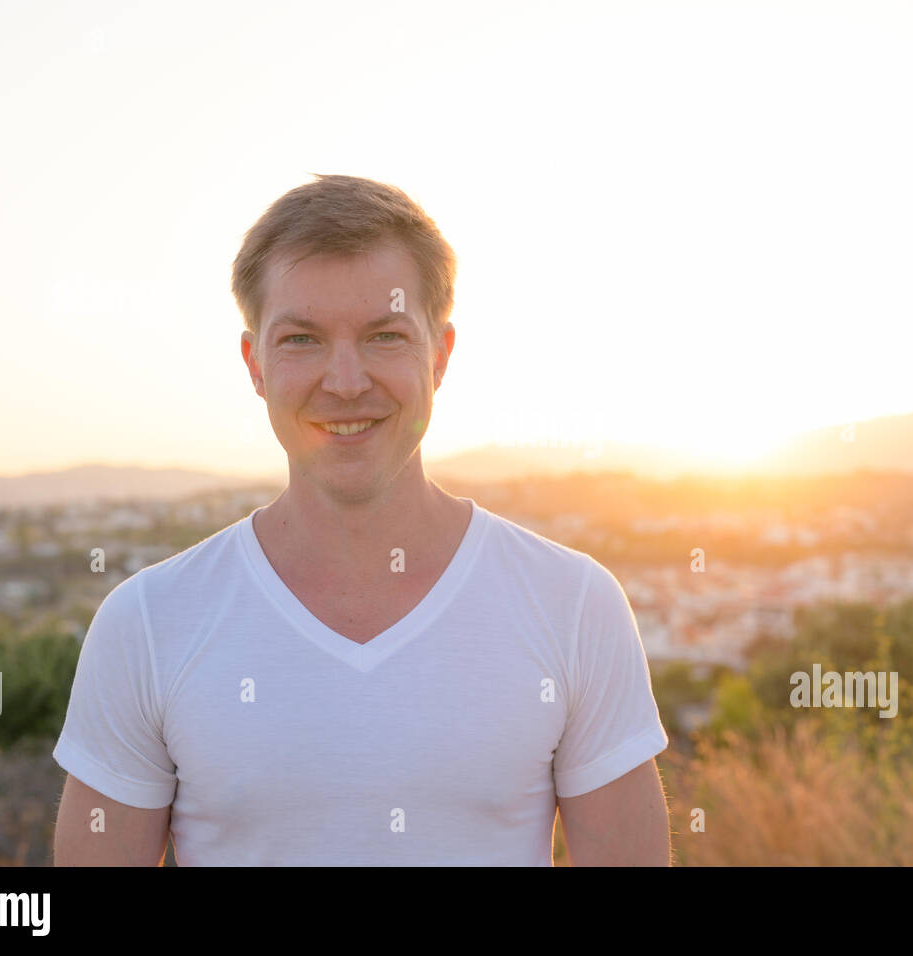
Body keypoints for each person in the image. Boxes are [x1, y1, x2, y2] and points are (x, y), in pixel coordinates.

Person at [52, 174, 671, 865]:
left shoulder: (573, 605)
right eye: (301, 340)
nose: (345, 382)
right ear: (255, 364)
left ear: (439, 355)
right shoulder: (148, 623)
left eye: (383, 336)